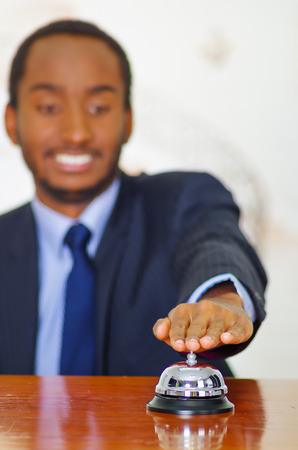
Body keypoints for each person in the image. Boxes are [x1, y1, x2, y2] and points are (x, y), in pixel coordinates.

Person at [0, 19, 267, 376]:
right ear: (12, 122)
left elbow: (214, 244)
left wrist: (220, 300)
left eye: (99, 108)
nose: (77, 133)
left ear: (128, 121)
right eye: (49, 107)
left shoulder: (181, 201)